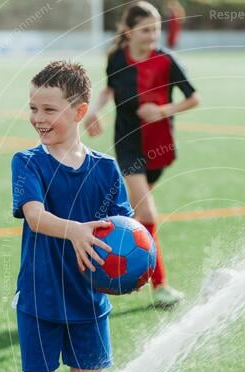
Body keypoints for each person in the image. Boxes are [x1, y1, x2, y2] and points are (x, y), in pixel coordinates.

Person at [8, 60, 134, 372]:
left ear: (80, 111)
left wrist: (127, 265)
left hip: (88, 304)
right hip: (40, 300)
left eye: (49, 109)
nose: (39, 118)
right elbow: (36, 215)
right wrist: (76, 231)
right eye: (33, 108)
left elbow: (123, 230)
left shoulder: (105, 170)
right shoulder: (28, 162)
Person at [83, 1, 200, 309]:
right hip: (128, 146)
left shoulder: (166, 61)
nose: (152, 36)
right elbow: (110, 88)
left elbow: (194, 98)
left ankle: (105, 271)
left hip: (160, 149)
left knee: (133, 214)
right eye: (146, 30)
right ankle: (159, 285)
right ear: (129, 30)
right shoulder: (116, 59)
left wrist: (162, 110)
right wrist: (94, 111)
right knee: (146, 215)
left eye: (156, 29)